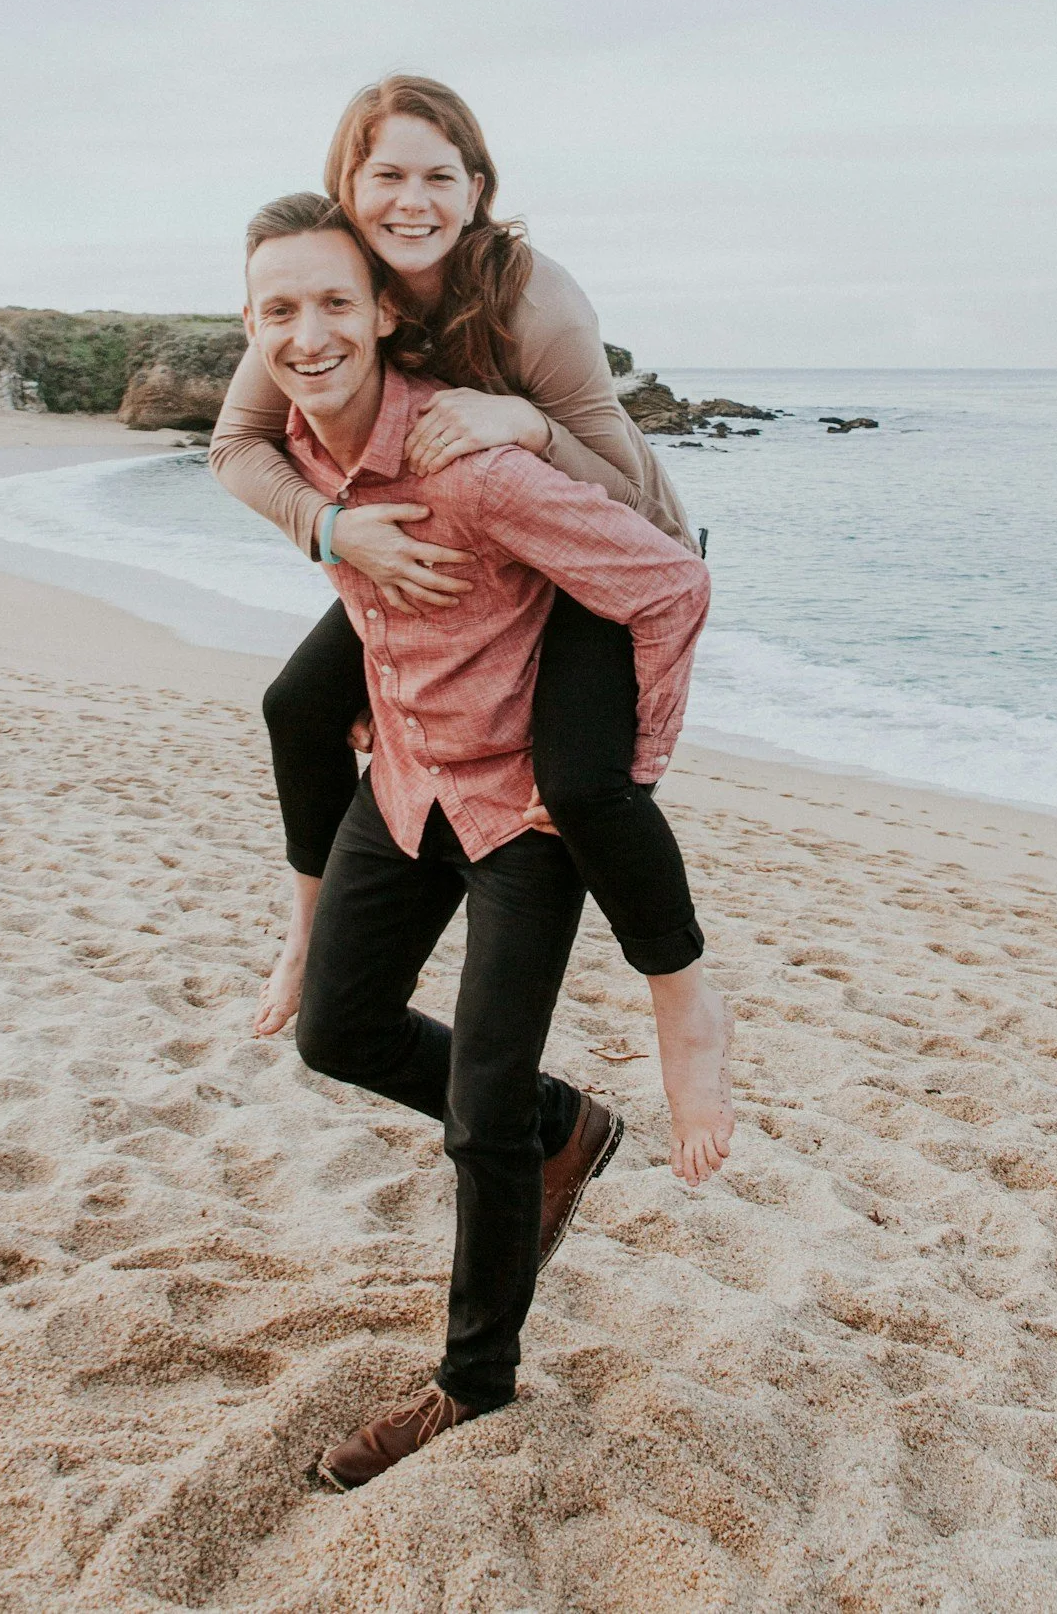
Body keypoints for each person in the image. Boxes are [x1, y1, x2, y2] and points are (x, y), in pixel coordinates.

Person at [239, 192, 718, 1486]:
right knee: (339, 1029)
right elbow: (253, 476)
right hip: (402, 778)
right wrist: (334, 538)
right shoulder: (297, 444)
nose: (307, 331)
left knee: (478, 1109)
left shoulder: (468, 461)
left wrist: (624, 772)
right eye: (277, 309)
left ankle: (470, 1387)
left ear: (386, 315)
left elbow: (667, 581)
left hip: (521, 808)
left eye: (333, 303)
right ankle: (564, 1129)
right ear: (250, 325)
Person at [212, 74, 733, 1182]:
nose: (411, 201)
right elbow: (240, 450)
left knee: (585, 784)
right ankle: (307, 932)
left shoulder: (533, 299)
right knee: (297, 704)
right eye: (384, 175)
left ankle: (683, 1003)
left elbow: (625, 486)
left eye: (438, 176)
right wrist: (332, 529)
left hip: (601, 555)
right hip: (446, 539)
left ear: (478, 187)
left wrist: (526, 423)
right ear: (344, 187)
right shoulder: (323, 288)